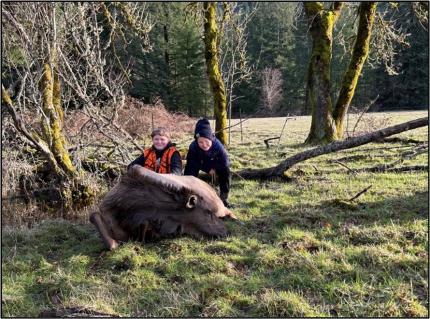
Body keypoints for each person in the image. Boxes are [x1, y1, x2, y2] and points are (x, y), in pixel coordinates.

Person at [184, 118, 232, 207]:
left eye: (207, 141)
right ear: (196, 141)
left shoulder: (218, 146)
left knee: (226, 171)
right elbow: (192, 161)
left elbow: (225, 162)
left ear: (211, 139)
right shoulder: (193, 147)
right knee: (189, 171)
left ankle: (224, 198)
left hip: (216, 164)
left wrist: (214, 168)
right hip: (200, 163)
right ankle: (189, 196)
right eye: (200, 142)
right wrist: (208, 169)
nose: (204, 144)